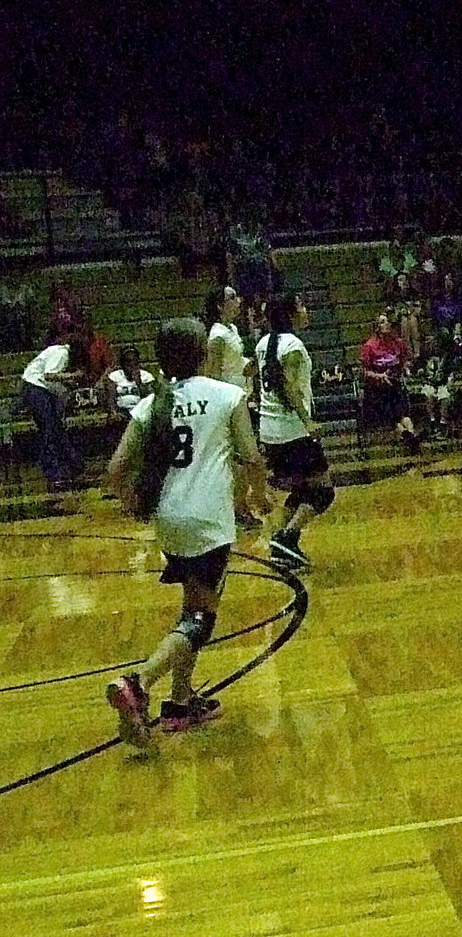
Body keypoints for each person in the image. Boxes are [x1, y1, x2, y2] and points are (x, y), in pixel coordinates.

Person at [104, 318, 269, 746]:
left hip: (170, 520)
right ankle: (138, 683)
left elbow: (115, 471)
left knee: (191, 605)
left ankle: (180, 699)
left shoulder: (151, 404)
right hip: (208, 520)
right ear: (202, 354)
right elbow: (251, 456)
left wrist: (134, 506)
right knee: (203, 617)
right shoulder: (226, 395)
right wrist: (258, 495)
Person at [256, 293, 336, 568]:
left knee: (303, 489)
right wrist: (307, 421)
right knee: (324, 491)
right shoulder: (292, 345)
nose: (306, 310)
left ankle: (280, 540)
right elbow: (288, 386)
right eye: (301, 305)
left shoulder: (263, 343)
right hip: (292, 431)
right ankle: (287, 538)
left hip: (270, 430)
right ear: (290, 313)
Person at [202, 285, 262, 528]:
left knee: (241, 459)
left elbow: (238, 367)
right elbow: (213, 373)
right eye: (232, 297)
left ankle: (238, 507)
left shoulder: (232, 329)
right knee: (242, 459)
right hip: (228, 404)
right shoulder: (217, 335)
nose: (238, 300)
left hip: (240, 398)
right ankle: (238, 509)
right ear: (220, 306)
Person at [20, 334, 88, 490]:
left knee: (54, 427)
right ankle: (53, 470)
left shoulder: (56, 351)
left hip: (35, 387)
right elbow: (49, 375)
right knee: (49, 429)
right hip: (36, 388)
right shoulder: (62, 353)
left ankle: (72, 463)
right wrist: (71, 376)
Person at [360, 312, 418, 451]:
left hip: (396, 384)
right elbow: (364, 372)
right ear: (377, 326)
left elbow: (404, 361)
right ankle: (406, 436)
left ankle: (411, 437)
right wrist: (379, 376)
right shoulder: (369, 346)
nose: (386, 324)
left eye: (387, 321)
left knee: (404, 415)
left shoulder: (398, 343)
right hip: (378, 388)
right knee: (393, 418)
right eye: (382, 322)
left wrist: (406, 369)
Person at [105, 346, 156, 420]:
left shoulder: (146, 376)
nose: (132, 365)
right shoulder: (115, 376)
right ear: (122, 364)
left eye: (135, 361)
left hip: (140, 411)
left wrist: (139, 382)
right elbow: (111, 398)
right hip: (122, 411)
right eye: (128, 362)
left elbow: (149, 399)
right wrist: (114, 413)